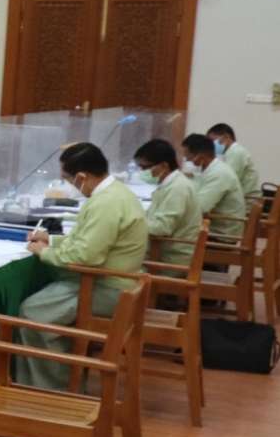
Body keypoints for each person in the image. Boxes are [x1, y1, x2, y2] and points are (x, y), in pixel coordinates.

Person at [20, 143, 147, 390]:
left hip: (107, 287)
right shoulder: (115, 193)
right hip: (118, 282)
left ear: (81, 177)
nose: (70, 185)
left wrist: (44, 252)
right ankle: (66, 380)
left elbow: (86, 256)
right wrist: (51, 240)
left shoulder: (106, 203)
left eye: (68, 180)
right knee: (45, 308)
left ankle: (53, 391)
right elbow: (87, 239)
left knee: (33, 313)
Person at [134, 138, 201, 268]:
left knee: (114, 263)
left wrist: (131, 223)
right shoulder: (172, 183)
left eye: (146, 167)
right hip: (163, 250)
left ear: (164, 166)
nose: (142, 171)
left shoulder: (178, 188)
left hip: (171, 259)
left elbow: (161, 228)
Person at [182, 133, 247, 240]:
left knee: (168, 234)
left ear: (200, 155)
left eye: (189, 156)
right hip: (212, 226)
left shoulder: (219, 173)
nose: (187, 160)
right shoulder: (210, 168)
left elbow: (201, 208)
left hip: (221, 234)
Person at [208, 123, 259, 198]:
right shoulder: (227, 153)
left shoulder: (236, 152)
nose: (211, 145)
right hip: (239, 198)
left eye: (213, 141)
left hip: (248, 200)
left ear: (226, 136)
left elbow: (226, 180)